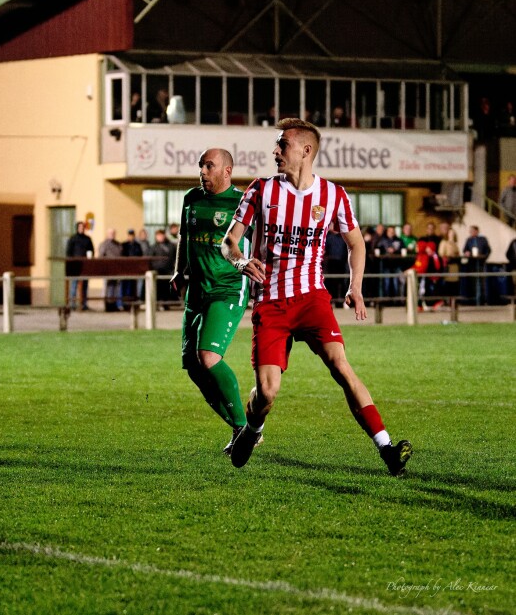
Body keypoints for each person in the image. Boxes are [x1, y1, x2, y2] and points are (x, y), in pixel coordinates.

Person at [221, 117, 412, 476]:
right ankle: (253, 428)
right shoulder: (261, 190)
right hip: (271, 302)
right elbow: (228, 242)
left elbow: (356, 242)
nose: (275, 151)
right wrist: (241, 261)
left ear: (305, 151)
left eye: (283, 145)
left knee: (341, 366)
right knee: (267, 392)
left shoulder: (333, 195)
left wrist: (356, 287)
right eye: (277, 145)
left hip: (312, 298)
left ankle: (386, 448)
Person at [170, 148, 256, 455]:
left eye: (210, 166)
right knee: (193, 366)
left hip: (227, 289)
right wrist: (179, 270)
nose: (203, 171)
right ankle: (239, 427)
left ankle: (246, 430)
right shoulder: (191, 199)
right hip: (197, 290)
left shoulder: (242, 203)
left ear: (227, 171)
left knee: (208, 356)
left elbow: (261, 242)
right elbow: (184, 237)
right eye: (201, 166)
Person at [65, 221, 94, 311]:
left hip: (85, 266)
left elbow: (91, 250)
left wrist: (90, 258)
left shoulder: (87, 239)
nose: (81, 229)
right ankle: (72, 304)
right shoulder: (73, 239)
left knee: (85, 285)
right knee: (74, 285)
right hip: (75, 266)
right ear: (77, 228)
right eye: (80, 227)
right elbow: (69, 252)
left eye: (83, 227)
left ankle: (84, 303)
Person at [462, 225, 492, 304]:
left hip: (481, 263)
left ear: (476, 231)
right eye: (470, 231)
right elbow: (465, 250)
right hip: (472, 264)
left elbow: (488, 250)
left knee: (482, 282)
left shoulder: (483, 239)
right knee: (473, 282)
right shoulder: (469, 240)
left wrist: (483, 256)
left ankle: (482, 300)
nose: (470, 232)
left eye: (472, 231)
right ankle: (474, 300)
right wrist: (466, 253)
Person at [98, 228, 123, 311]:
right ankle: (108, 305)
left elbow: (121, 254)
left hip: (117, 269)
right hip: (108, 269)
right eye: (110, 233)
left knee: (116, 288)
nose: (112, 235)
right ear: (107, 234)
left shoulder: (118, 244)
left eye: (113, 233)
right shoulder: (104, 244)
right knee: (109, 287)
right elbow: (101, 256)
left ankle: (115, 304)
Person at [150, 228, 176, 305]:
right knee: (159, 288)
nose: (160, 237)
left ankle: (166, 303)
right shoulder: (153, 247)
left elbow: (175, 257)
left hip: (169, 270)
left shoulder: (170, 246)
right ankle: (159, 302)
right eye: (158, 236)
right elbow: (151, 259)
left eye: (161, 235)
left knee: (167, 288)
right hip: (158, 271)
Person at [322, 230, 349, 303]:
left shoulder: (343, 238)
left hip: (341, 262)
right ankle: (333, 300)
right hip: (331, 263)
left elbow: (346, 250)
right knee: (331, 282)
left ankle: (340, 301)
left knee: (341, 282)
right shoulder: (328, 237)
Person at [437, 227, 461, 301]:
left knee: (455, 284)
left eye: (453, 233)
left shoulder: (455, 244)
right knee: (448, 284)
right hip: (448, 266)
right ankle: (447, 300)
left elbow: (457, 253)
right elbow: (441, 253)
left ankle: (454, 300)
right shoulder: (444, 242)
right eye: (450, 233)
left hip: (455, 266)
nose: (451, 235)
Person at [120, 228, 142, 302]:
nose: (131, 237)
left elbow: (140, 255)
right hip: (125, 268)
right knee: (125, 285)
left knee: (133, 286)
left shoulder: (137, 245)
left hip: (134, 268)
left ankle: (132, 300)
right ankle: (124, 301)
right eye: (129, 235)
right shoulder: (124, 245)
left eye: (132, 235)